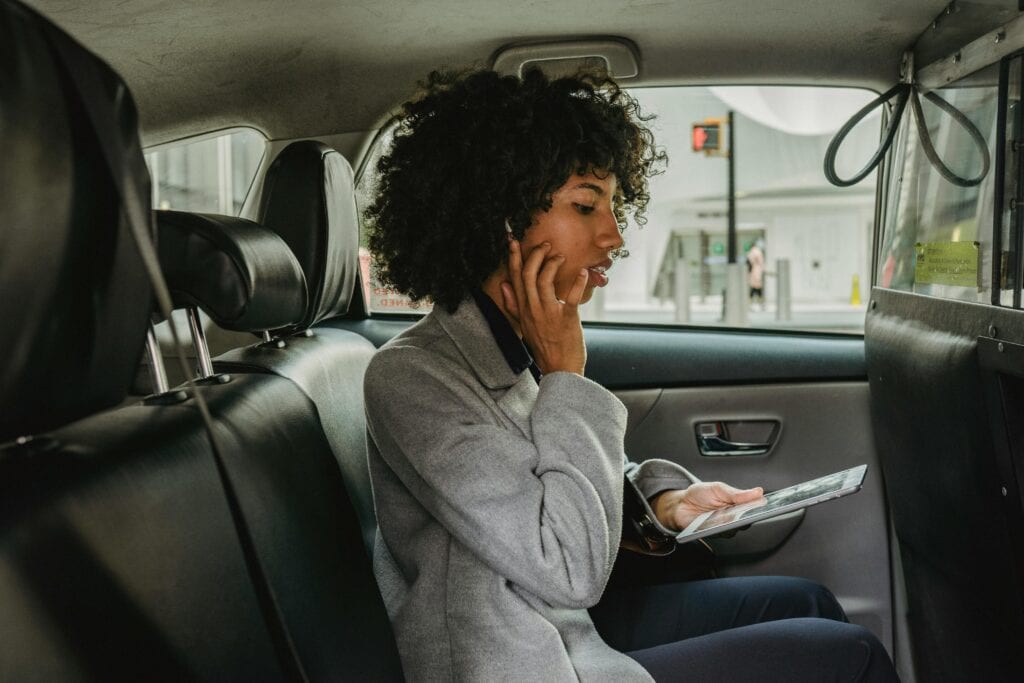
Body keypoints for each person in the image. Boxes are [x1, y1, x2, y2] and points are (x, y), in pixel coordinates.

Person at [363, 68, 898, 682]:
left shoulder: (516, 347)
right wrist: (568, 377)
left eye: (613, 208)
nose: (614, 236)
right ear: (498, 218)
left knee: (807, 603)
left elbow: (571, 484)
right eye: (586, 205)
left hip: (565, 629)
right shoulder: (413, 378)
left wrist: (665, 504)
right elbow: (567, 567)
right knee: (849, 658)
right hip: (518, 661)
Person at [747, 239, 765, 306]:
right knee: (757, 287)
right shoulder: (758, 252)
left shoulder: (750, 252)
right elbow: (761, 262)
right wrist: (763, 269)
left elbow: (748, 263)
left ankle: (750, 302)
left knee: (753, 287)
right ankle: (760, 302)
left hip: (752, 272)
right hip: (757, 271)